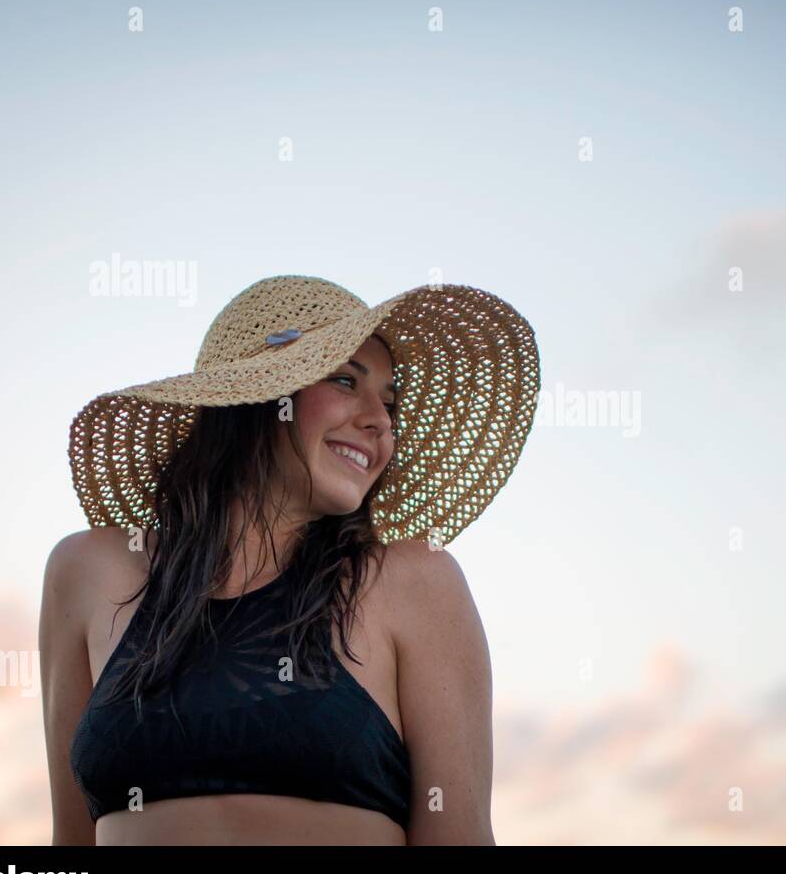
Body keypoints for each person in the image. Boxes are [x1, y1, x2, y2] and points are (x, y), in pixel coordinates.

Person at [39, 275, 540, 844]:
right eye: (346, 379)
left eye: (391, 403)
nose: (381, 421)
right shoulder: (89, 571)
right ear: (256, 396)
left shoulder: (412, 581)